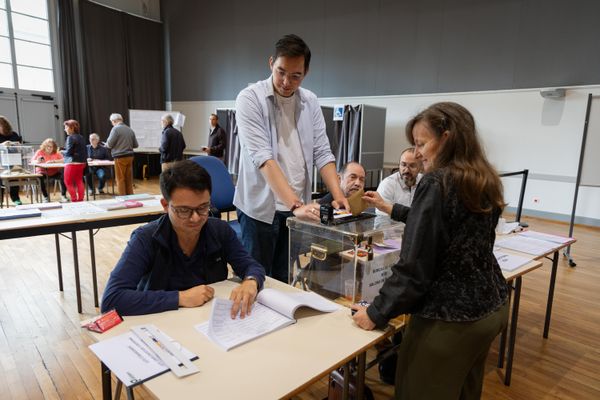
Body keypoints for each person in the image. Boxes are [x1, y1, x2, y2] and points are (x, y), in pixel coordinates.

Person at [352, 102, 509, 399]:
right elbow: (447, 225)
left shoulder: (436, 182)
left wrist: (376, 312)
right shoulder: (482, 177)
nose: (417, 153)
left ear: (447, 137)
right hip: (491, 308)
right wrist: (392, 208)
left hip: (450, 319)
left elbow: (414, 270)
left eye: (422, 143)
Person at [234, 34, 350, 283]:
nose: (286, 82)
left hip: (297, 209)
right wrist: (296, 205)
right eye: (281, 72)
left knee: (284, 280)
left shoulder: (310, 101)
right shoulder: (249, 98)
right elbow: (264, 158)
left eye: (295, 76)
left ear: (305, 73)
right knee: (256, 279)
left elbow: (322, 151)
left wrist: (339, 196)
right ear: (271, 63)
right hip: (260, 209)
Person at [101, 160, 266, 317]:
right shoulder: (146, 239)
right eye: (184, 210)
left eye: (203, 208)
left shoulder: (219, 230)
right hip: (162, 323)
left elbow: (251, 265)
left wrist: (251, 281)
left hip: (208, 319)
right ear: (165, 205)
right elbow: (112, 300)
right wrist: (180, 298)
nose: (195, 218)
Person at [363, 147, 423, 222]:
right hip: (393, 232)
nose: (407, 170)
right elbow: (382, 220)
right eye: (403, 165)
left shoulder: (425, 182)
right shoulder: (387, 185)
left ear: (420, 168)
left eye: (412, 166)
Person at [106, 113, 138, 195]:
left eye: (111, 122)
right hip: (130, 156)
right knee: (128, 179)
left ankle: (123, 198)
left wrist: (106, 144)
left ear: (114, 121)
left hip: (119, 157)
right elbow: (136, 145)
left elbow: (109, 144)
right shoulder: (130, 129)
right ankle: (130, 197)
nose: (111, 124)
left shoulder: (115, 129)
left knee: (120, 179)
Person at [32, 138, 68, 202]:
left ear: (54, 147)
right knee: (40, 178)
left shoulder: (56, 153)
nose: (49, 148)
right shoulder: (39, 152)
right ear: (44, 146)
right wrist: (37, 160)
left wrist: (54, 161)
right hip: (42, 171)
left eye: (51, 146)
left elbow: (64, 160)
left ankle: (63, 195)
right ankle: (45, 197)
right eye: (47, 146)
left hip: (54, 171)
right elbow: (32, 161)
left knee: (64, 176)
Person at [0, 115, 23, 205]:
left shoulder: (13, 134)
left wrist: (16, 144)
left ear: (4, 125)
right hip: (1, 161)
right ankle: (0, 200)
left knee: (14, 180)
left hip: (13, 160)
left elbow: (19, 146)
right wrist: (2, 144)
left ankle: (15, 198)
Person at [63, 119, 87, 202]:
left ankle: (74, 200)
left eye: (66, 127)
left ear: (71, 128)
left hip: (72, 163)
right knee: (79, 181)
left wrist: (61, 152)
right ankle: (80, 200)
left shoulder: (70, 138)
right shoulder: (81, 137)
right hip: (81, 163)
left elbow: (68, 152)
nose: (65, 129)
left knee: (67, 182)